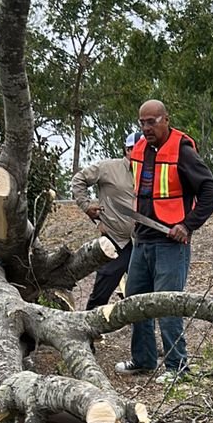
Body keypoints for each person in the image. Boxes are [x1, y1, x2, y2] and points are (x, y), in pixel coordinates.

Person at [114, 99, 213, 383]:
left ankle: (177, 367)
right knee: (136, 302)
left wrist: (187, 225)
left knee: (168, 305)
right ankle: (144, 360)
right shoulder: (140, 148)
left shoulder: (182, 151)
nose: (146, 128)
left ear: (166, 120)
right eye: (142, 123)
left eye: (152, 122)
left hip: (170, 245)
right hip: (142, 239)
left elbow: (211, 192)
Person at [71, 130, 141, 310]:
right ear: (127, 150)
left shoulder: (152, 173)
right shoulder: (108, 168)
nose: (141, 153)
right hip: (115, 240)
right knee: (103, 289)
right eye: (136, 149)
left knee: (142, 290)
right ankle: (89, 322)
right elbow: (79, 180)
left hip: (142, 240)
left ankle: (137, 323)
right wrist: (86, 206)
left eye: (146, 149)